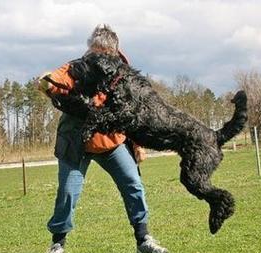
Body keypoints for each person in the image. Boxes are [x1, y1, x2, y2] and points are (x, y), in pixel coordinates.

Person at [37, 24, 168, 253]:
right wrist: (47, 81)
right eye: (92, 52)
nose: (94, 58)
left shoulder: (124, 75)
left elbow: (132, 111)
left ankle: (144, 240)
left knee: (133, 185)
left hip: (111, 141)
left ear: (113, 53)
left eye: (101, 54)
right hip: (76, 142)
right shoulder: (78, 67)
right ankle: (57, 244)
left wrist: (138, 145)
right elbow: (57, 78)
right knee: (68, 192)